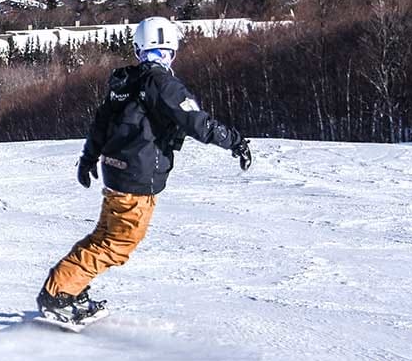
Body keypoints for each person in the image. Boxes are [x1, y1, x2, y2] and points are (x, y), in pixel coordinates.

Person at [37, 17, 252, 324]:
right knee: (117, 245)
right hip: (137, 179)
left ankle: (71, 287)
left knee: (104, 237)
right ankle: (58, 295)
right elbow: (196, 122)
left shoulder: (126, 82)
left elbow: (101, 122)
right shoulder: (163, 84)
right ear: (172, 50)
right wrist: (235, 141)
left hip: (116, 172)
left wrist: (89, 158)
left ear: (139, 49)